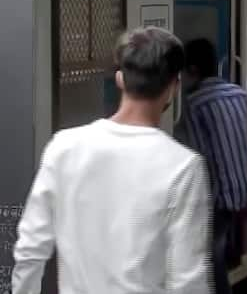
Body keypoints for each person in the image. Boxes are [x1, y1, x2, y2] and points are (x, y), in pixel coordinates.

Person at [12, 27, 211, 294]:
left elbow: (30, 249)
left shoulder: (63, 147)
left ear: (120, 79)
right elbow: (188, 282)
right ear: (173, 87)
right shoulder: (184, 167)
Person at [183, 38, 247, 294]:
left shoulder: (194, 103)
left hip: (220, 195)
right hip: (245, 187)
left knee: (209, 255)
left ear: (192, 70)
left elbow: (199, 157)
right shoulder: (239, 93)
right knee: (219, 246)